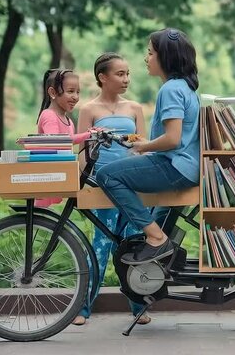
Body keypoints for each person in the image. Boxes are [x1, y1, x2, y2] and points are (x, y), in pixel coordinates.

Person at [95, 28, 200, 265]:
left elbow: (173, 139)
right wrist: (147, 144)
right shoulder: (186, 87)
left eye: (150, 53)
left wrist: (143, 148)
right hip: (186, 166)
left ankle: (156, 238)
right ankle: (156, 248)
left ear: (165, 57)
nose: (146, 58)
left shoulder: (171, 89)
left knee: (107, 175)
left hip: (175, 167)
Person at [73, 53, 148, 326]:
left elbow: (141, 146)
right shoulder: (88, 110)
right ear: (102, 78)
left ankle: (138, 305)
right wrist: (82, 185)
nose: (126, 79)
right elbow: (82, 150)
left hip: (131, 185)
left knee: (133, 244)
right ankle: (82, 308)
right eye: (120, 74)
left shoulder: (135, 108)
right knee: (101, 245)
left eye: (128, 73)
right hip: (100, 184)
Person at [35, 69, 92, 208]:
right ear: (53, 93)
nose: (76, 97)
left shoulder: (68, 120)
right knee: (45, 222)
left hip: (59, 176)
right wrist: (88, 134)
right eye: (71, 91)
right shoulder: (49, 116)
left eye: (78, 92)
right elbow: (56, 141)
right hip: (49, 178)